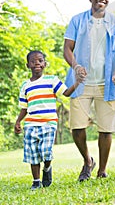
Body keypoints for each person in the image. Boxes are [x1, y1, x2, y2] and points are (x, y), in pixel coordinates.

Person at [63, 0, 115, 181]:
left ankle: (102, 170)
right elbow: (67, 48)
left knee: (106, 128)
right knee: (77, 128)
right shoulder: (78, 20)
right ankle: (88, 161)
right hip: (81, 82)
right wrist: (75, 66)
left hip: (106, 83)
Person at [15, 50, 81, 190]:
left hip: (49, 123)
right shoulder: (25, 86)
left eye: (40, 60)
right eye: (33, 61)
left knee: (46, 152)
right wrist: (18, 121)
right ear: (28, 65)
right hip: (31, 124)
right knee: (33, 154)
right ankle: (36, 181)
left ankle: (47, 167)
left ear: (45, 64)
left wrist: (78, 82)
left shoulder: (52, 80)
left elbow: (66, 93)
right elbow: (24, 108)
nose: (37, 63)